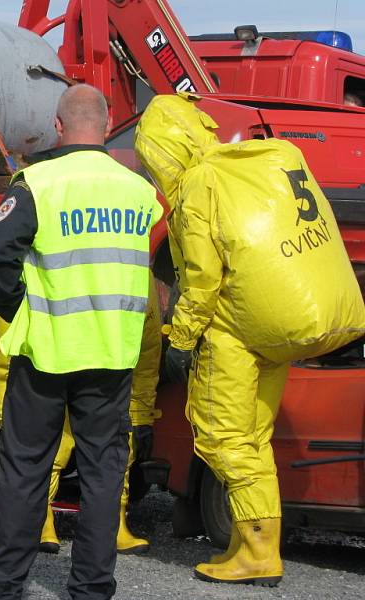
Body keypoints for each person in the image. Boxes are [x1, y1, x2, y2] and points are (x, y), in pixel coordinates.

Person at [134, 93, 365, 586]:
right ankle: (251, 541)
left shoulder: (198, 185)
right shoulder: (251, 163)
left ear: (162, 150)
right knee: (255, 439)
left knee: (226, 440)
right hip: (271, 329)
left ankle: (258, 549)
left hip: (233, 334)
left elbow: (201, 278)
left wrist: (181, 339)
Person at [0, 84, 162, 600]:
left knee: (26, 468)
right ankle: (93, 589)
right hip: (111, 353)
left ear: (58, 127)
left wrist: (18, 310)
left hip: (48, 350)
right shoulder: (138, 191)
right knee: (103, 473)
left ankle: (6, 587)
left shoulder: (36, 183)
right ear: (106, 126)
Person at [0, 268, 162, 556]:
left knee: (115, 444)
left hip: (103, 352)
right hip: (53, 337)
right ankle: (40, 518)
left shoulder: (135, 267)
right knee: (49, 437)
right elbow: (9, 352)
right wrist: (10, 420)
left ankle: (111, 524)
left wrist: (142, 414)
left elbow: (147, 345)